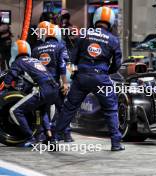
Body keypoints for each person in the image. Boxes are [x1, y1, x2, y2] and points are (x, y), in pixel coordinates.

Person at [55, 6, 124, 151]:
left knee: (69, 108)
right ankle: (116, 143)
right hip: (101, 78)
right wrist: (107, 72)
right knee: (111, 109)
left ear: (96, 18)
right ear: (111, 21)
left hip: (82, 77)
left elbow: (72, 58)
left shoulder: (84, 34)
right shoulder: (113, 40)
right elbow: (117, 64)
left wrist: (74, 74)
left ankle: (55, 139)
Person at [4, 40, 59, 147]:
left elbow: (7, 82)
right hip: (54, 89)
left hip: (42, 89)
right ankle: (51, 139)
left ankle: (31, 138)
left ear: (14, 52)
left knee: (15, 111)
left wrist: (8, 85)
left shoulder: (19, 62)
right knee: (41, 110)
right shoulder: (35, 60)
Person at [32, 21, 73, 142]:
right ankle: (66, 134)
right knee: (63, 109)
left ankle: (45, 134)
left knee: (42, 109)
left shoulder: (36, 49)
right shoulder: (60, 46)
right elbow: (63, 64)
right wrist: (65, 82)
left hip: (43, 85)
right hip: (57, 83)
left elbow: (33, 68)